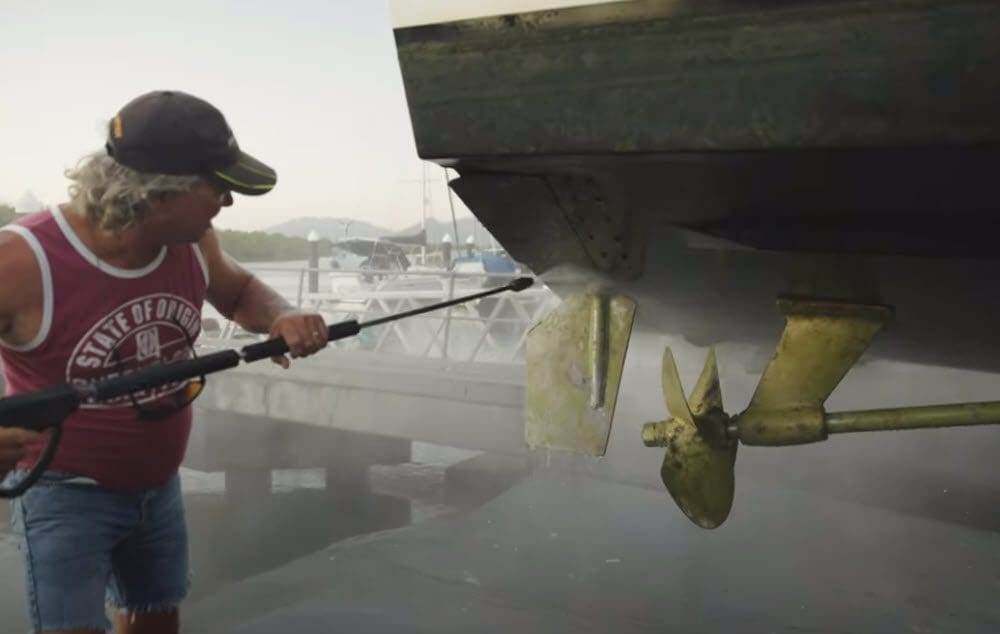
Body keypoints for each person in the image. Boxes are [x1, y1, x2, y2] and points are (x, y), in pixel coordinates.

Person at [0, 90, 330, 634]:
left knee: (155, 620)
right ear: (157, 193)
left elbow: (239, 290)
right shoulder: (22, 259)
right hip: (63, 493)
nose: (227, 203)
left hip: (158, 487)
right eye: (217, 187)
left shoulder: (194, 242)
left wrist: (282, 314)